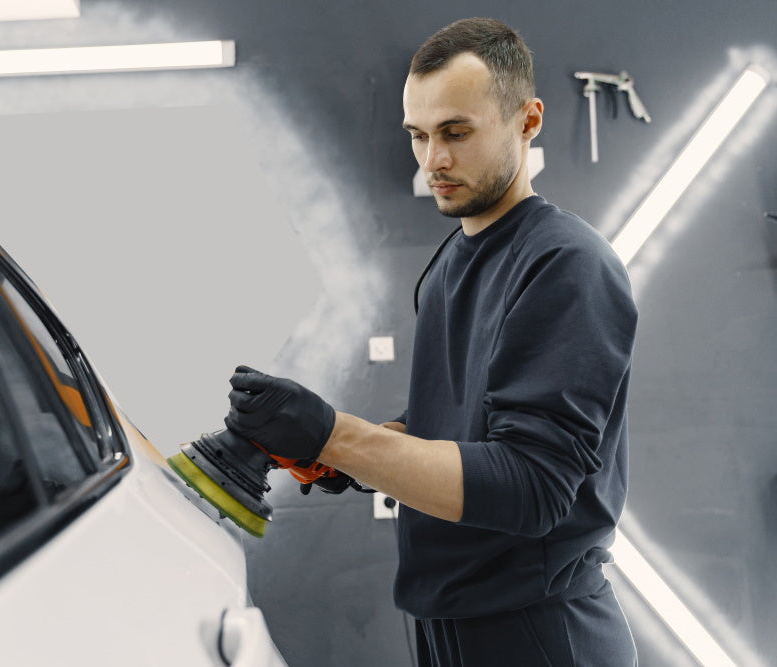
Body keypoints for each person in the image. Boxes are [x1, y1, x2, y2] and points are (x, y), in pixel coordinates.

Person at [224, 17, 639, 667]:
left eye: (455, 132)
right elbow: (460, 428)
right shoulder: (451, 263)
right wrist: (343, 455)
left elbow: (532, 485)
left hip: (537, 633)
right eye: (418, 135)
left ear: (527, 121)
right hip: (448, 621)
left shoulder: (566, 264)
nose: (432, 160)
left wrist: (340, 435)